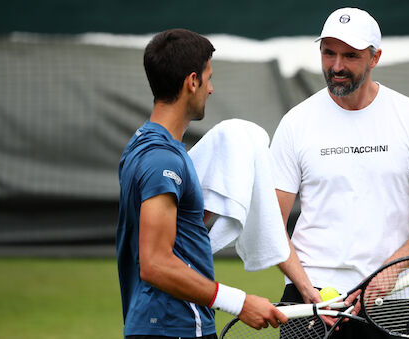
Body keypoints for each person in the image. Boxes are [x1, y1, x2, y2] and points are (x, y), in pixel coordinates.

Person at [271, 8, 409, 338]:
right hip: (311, 301)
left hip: (392, 298)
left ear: (375, 57)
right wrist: (306, 288)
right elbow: (271, 222)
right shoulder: (296, 123)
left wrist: (389, 273)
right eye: (328, 53)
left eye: (350, 56)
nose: (337, 66)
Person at [116, 29, 287, 339]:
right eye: (208, 78)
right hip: (173, 326)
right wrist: (240, 302)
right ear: (191, 81)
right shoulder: (163, 161)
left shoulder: (143, 145)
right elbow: (154, 263)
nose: (211, 89)